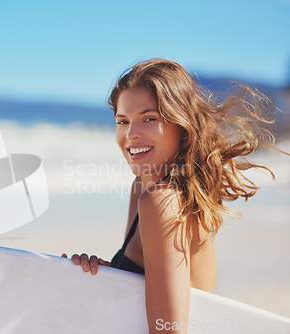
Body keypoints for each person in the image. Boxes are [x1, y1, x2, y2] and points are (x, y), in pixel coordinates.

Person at [62, 58, 287, 333]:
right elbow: (142, 284)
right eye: (123, 121)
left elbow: (169, 329)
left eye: (149, 118)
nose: (131, 134)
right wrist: (105, 273)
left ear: (181, 126)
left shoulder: (162, 202)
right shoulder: (144, 188)